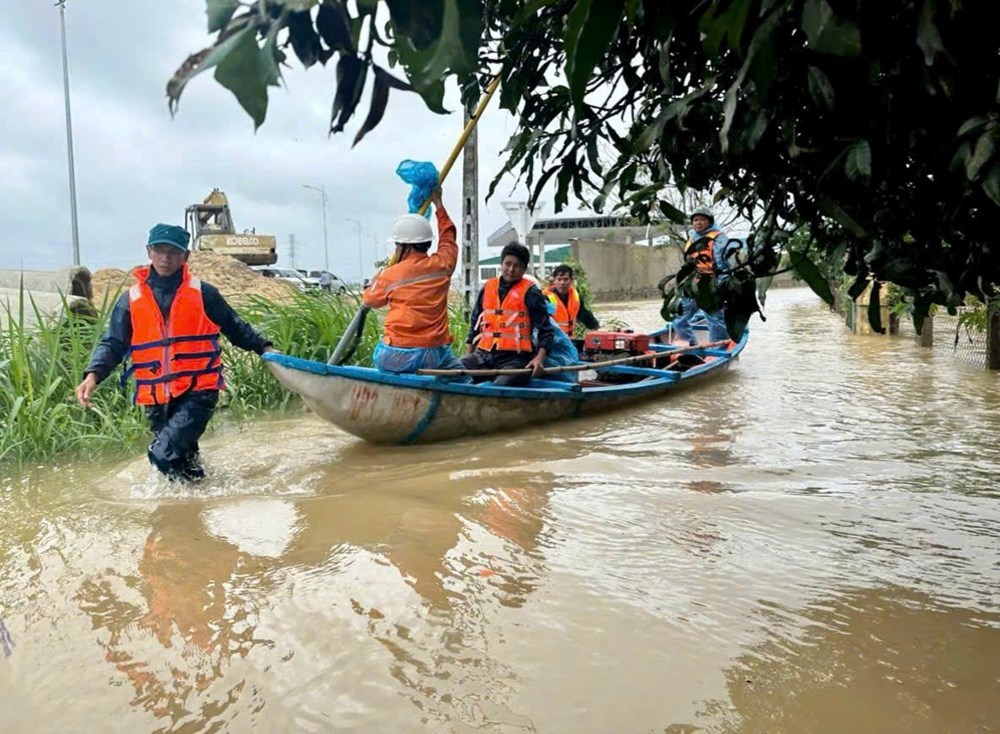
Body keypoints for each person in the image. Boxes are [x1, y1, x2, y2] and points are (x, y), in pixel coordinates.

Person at [75, 223, 276, 482]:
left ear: (186, 256)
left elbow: (235, 327)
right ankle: (193, 507)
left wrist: (265, 348)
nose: (165, 258)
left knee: (162, 453)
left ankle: (184, 507)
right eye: (159, 250)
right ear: (149, 252)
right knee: (183, 462)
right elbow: (113, 343)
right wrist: (93, 375)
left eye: (173, 252)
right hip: (156, 396)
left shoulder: (204, 293)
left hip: (198, 391)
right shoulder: (130, 300)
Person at [362, 188, 467, 377]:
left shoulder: (389, 275)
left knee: (382, 359)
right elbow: (448, 238)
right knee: (463, 378)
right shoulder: (443, 264)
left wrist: (375, 281)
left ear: (403, 246)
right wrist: (439, 204)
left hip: (394, 355)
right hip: (433, 354)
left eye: (397, 245)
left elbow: (370, 300)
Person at [462, 242, 554, 387]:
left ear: (524, 269)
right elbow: (475, 324)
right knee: (454, 373)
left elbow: (546, 330)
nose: (511, 269)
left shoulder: (531, 292)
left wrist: (539, 359)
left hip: (515, 360)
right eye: (508, 264)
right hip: (483, 356)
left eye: (517, 266)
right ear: (502, 264)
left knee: (500, 387)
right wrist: (469, 355)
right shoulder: (488, 287)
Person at [671, 206, 731, 345]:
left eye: (702, 220)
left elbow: (723, 265)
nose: (698, 223)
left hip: (712, 284)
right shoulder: (692, 238)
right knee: (678, 316)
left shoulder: (719, 239)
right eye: (695, 220)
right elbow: (689, 264)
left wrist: (723, 288)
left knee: (715, 320)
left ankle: (719, 348)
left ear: (709, 222)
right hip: (693, 283)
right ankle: (689, 345)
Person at [541, 263, 600, 336]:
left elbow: (584, 314)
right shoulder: (545, 297)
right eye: (559, 279)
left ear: (571, 281)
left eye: (566, 279)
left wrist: (596, 327)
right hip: (552, 339)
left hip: (569, 340)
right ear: (554, 281)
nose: (562, 283)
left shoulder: (575, 297)